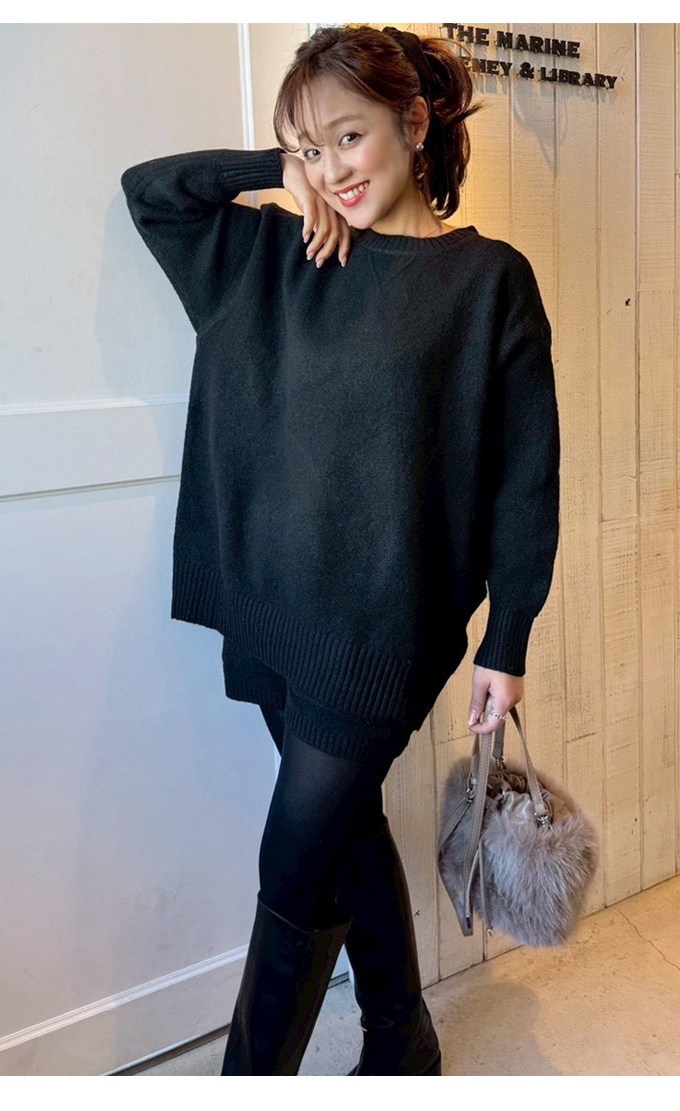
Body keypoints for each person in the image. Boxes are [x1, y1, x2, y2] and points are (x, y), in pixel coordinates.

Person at [120, 24, 560, 1076]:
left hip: (379, 632)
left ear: (414, 122)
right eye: (309, 148)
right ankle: (400, 1037)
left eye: (347, 138)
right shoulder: (273, 252)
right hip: (268, 605)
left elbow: (524, 476)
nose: (331, 170)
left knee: (292, 863)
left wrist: (506, 639)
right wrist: (274, 171)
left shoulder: (485, 281)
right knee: (345, 826)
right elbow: (152, 193)